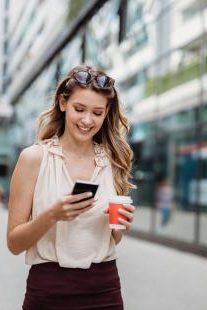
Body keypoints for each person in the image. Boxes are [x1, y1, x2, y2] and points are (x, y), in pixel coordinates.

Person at [7, 64, 136, 309]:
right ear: (62, 103)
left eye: (97, 113)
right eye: (79, 109)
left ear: (106, 113)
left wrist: (119, 227)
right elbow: (14, 243)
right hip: (48, 290)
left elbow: (110, 240)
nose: (88, 120)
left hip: (105, 290)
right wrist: (52, 215)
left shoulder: (111, 161)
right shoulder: (34, 159)